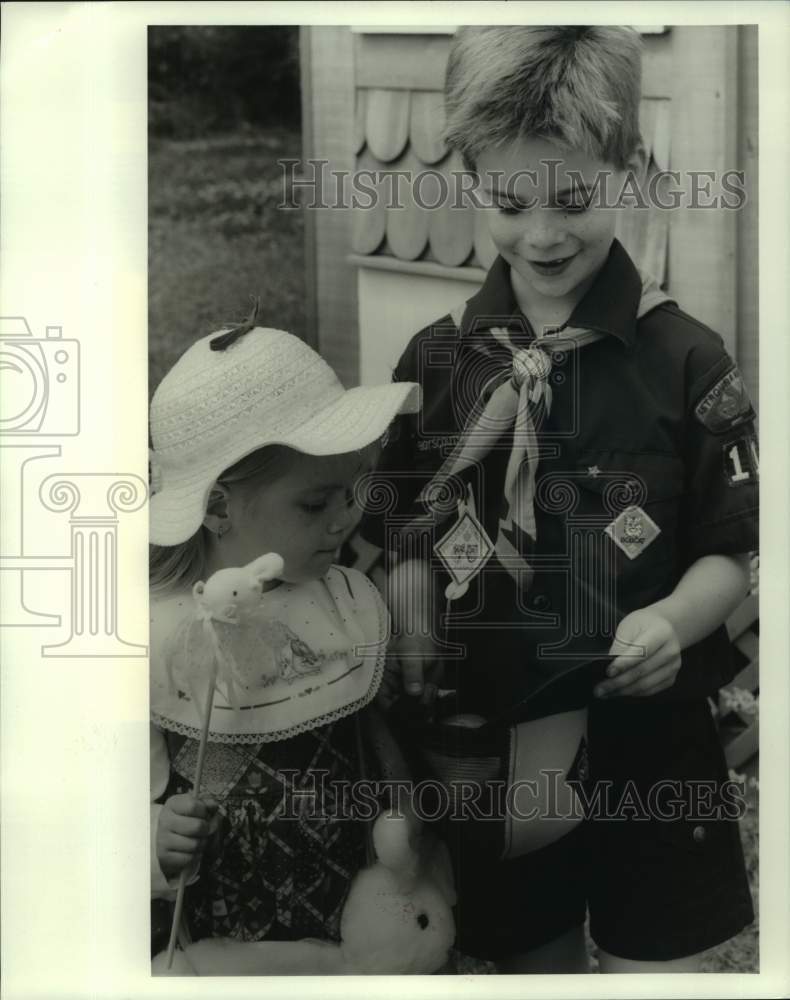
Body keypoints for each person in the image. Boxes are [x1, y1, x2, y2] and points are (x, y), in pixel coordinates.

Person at [359, 26, 757, 973]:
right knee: (523, 963)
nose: (542, 234)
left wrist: (671, 618)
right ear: (470, 181)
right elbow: (404, 528)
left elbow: (728, 547)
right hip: (492, 745)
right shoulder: (434, 362)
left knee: (651, 970)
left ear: (629, 168)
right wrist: (412, 606)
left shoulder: (690, 361)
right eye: (509, 200)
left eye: (575, 198)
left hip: (649, 746)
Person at [148, 316, 420, 957]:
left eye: (352, 491)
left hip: (350, 914)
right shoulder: (154, 637)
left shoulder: (340, 597)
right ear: (217, 508)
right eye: (315, 504)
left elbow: (370, 734)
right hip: (222, 938)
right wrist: (152, 838)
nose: (346, 518)